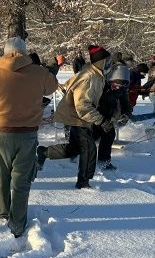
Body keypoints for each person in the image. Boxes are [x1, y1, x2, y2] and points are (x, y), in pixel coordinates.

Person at [0, 37, 58, 238]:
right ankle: (18, 222)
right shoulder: (38, 73)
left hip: (1, 131)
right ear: (25, 52)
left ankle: (2, 212)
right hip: (28, 132)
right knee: (22, 178)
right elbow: (52, 87)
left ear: (4, 52)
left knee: (0, 174)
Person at [37, 45, 111, 189]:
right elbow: (83, 105)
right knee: (88, 149)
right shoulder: (89, 77)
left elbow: (74, 88)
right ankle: (83, 183)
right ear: (101, 62)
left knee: (74, 149)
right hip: (77, 116)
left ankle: (44, 152)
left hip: (78, 116)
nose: (110, 65)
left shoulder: (95, 74)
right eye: (107, 61)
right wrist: (100, 120)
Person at [94, 64, 132, 170]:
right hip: (94, 116)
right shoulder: (99, 86)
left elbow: (126, 104)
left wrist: (126, 114)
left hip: (108, 115)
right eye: (116, 84)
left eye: (121, 86)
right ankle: (75, 158)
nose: (118, 88)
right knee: (90, 138)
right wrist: (99, 120)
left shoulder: (122, 89)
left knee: (109, 135)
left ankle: (104, 162)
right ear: (110, 80)